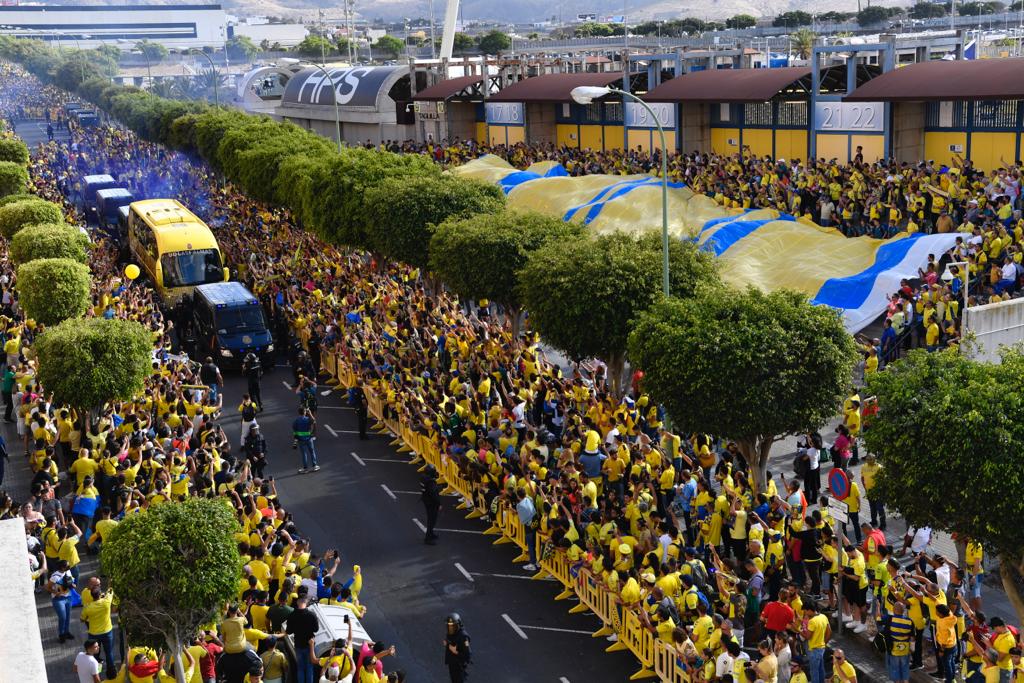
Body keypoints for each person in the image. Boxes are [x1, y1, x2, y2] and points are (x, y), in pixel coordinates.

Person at [80, 585, 116, 678]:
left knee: (96, 655)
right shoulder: (106, 602)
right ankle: (111, 674)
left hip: (94, 634)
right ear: (100, 594)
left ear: (92, 595)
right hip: (107, 632)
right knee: (109, 653)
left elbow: (82, 619)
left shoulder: (88, 607)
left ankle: (97, 673)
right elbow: (111, 590)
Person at [287, 596, 319, 683]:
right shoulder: (312, 615)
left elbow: (289, 631)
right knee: (309, 667)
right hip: (309, 645)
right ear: (306, 602)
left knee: (300, 668)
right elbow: (316, 629)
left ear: (297, 602)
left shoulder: (292, 615)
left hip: (298, 645)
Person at [443, 613, 471, 683]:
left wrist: (456, 652)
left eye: (452, 626)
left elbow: (468, 656)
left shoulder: (464, 637)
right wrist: (447, 644)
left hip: (459, 666)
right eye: (449, 626)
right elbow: (452, 644)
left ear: (458, 625)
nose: (450, 628)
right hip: (452, 664)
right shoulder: (451, 634)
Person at [292, 407, 319, 474]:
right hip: (309, 439)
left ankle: (305, 468)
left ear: (299, 412)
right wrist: (310, 413)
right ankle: (315, 466)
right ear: (305, 412)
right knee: (312, 452)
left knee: (304, 454)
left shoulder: (296, 421)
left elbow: (294, 430)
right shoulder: (307, 419)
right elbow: (314, 421)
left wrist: (295, 440)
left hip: (301, 439)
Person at [421, 464, 441, 545]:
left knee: (430, 518)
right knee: (432, 520)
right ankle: (428, 538)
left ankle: (431, 533)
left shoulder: (423, 477)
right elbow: (434, 494)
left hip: (426, 500)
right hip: (431, 502)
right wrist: (439, 504)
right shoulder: (431, 482)